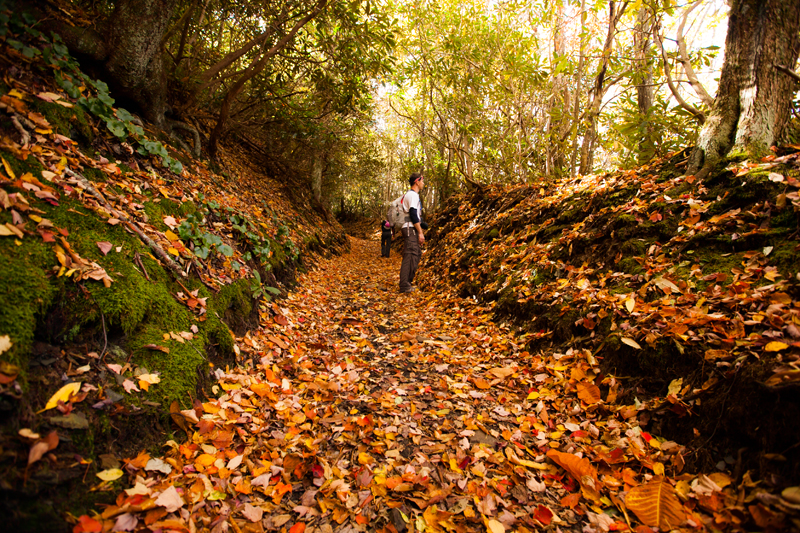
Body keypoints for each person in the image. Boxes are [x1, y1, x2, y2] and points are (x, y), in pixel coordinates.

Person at [399, 172, 425, 293]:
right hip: (410, 229)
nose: (423, 183)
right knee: (410, 255)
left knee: (415, 253)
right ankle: (405, 285)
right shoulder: (413, 195)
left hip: (408, 227)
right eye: (422, 181)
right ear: (417, 181)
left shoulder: (409, 195)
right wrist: (420, 232)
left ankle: (407, 283)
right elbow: (413, 214)